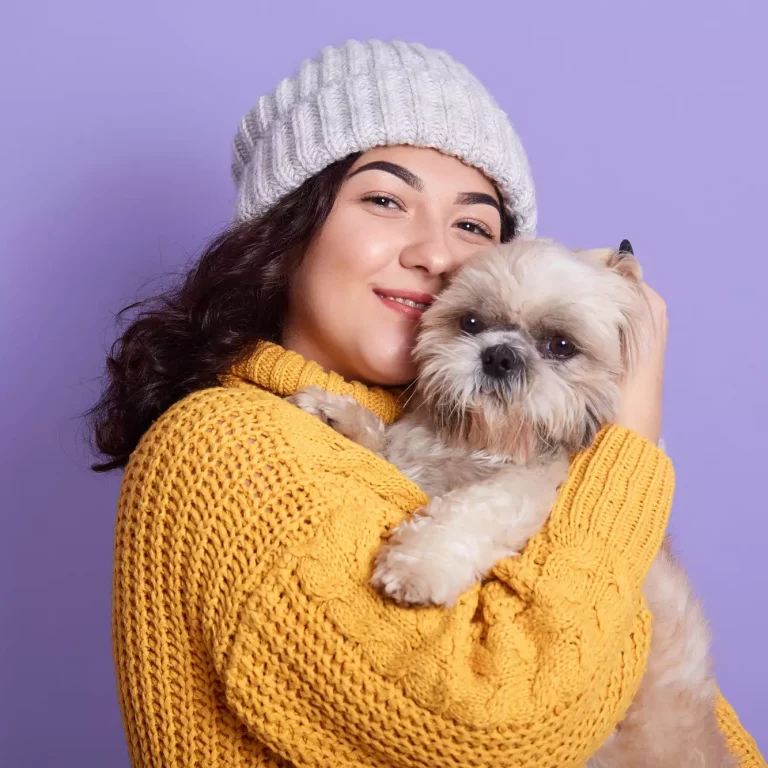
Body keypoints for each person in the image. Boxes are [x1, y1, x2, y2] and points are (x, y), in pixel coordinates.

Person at [89, 40, 764, 767]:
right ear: (285, 229)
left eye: (473, 225)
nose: (435, 254)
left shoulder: (439, 442)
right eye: (385, 200)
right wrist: (632, 440)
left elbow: (690, 709)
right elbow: (499, 732)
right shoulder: (224, 447)